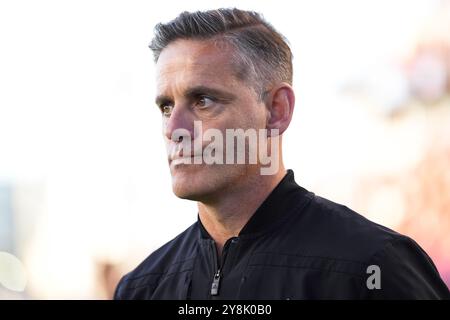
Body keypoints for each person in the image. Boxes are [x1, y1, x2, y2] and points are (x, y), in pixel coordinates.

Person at [114, 8, 450, 299]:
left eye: (203, 101)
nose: (174, 129)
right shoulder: (142, 288)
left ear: (276, 110)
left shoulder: (372, 267)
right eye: (166, 106)